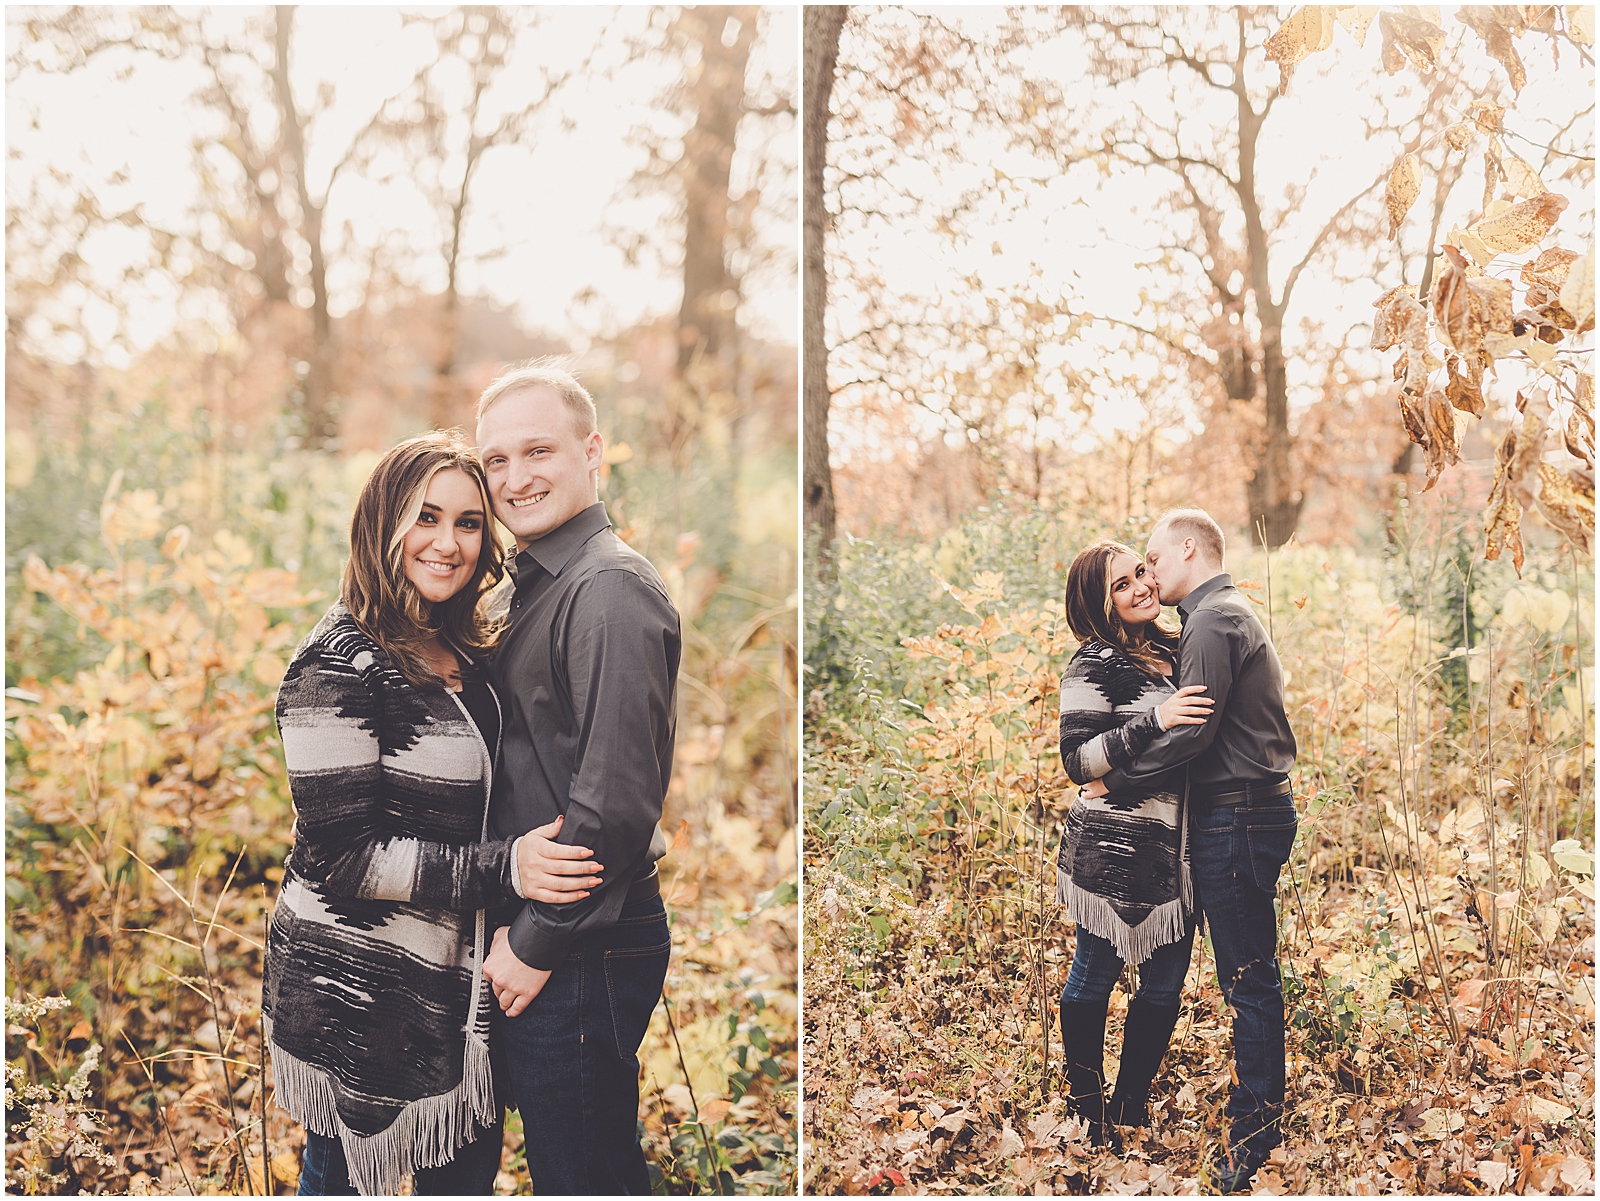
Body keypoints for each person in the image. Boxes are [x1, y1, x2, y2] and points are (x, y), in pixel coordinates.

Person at [263, 433, 601, 1196]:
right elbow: (340, 856)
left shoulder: (464, 647)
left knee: (464, 1176)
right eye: (425, 517)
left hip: (459, 983)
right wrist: (506, 864)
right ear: (382, 522)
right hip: (360, 984)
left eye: (470, 522)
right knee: (347, 1177)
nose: (448, 543)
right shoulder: (337, 663)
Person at [475, 366, 681, 1195]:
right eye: (496, 460)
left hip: (582, 940)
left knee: (588, 1176)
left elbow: (615, 796)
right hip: (544, 925)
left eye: (537, 450)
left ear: (591, 450)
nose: (515, 477)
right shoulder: (534, 582)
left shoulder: (608, 588)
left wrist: (536, 943)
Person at [1083, 508, 1298, 1193]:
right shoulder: (1219, 614)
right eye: (1133, 571)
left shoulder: (1212, 620)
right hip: (1239, 812)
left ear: (1186, 548)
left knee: (1246, 976)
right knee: (1243, 971)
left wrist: (1113, 778)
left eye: (1152, 558)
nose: (1149, 574)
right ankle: (1241, 1112)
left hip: (1237, 814)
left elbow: (1193, 738)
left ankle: (1257, 1129)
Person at [1056, 540, 1213, 1149]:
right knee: (1094, 977)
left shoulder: (1177, 650)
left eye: (1142, 573)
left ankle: (1130, 1103)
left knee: (1166, 984)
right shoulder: (1091, 664)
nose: (1142, 587)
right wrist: (1157, 719)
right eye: (1122, 584)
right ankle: (1086, 1108)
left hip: (1178, 854)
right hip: (1112, 850)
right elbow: (1078, 760)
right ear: (1101, 603)